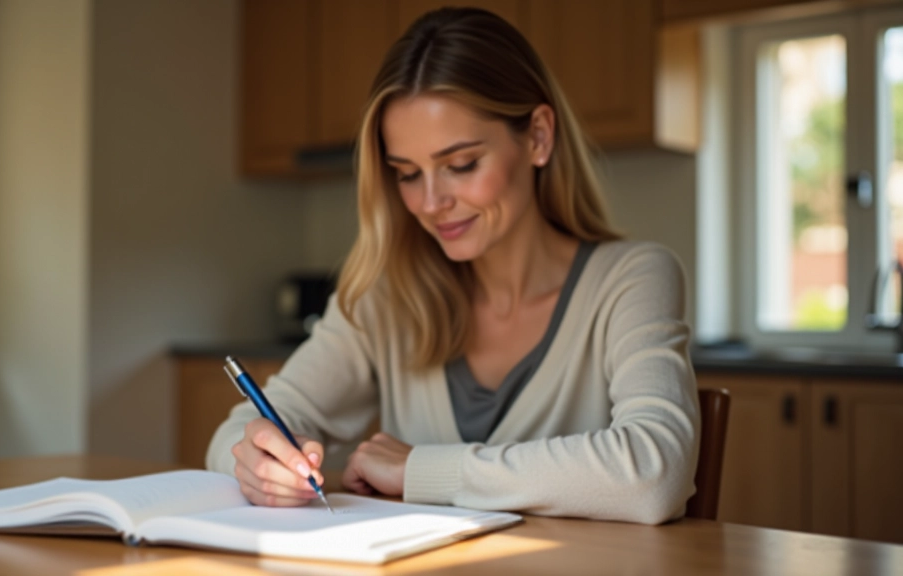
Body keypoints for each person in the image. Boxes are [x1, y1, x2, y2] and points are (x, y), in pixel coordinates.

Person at [207, 7, 699, 525]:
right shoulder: (388, 298)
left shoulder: (632, 278)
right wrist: (258, 462)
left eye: (460, 165)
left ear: (537, 136)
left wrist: (422, 470)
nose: (430, 202)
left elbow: (654, 471)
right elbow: (236, 433)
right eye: (407, 174)